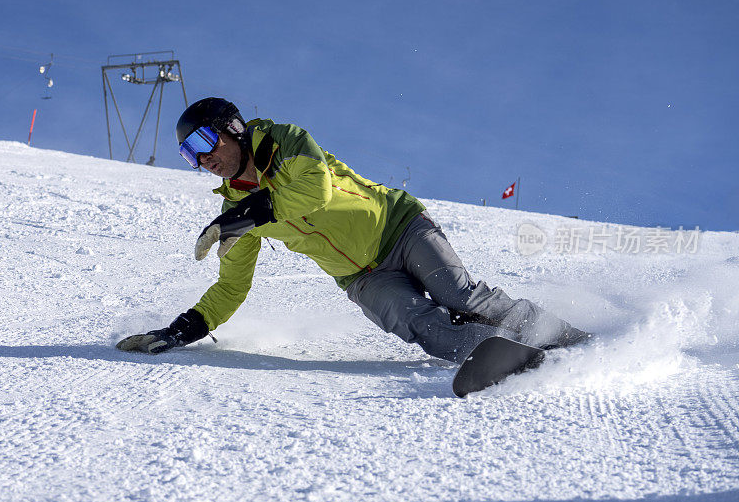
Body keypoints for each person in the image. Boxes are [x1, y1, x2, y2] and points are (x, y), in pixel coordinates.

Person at [117, 98, 591, 360]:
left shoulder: (285, 141)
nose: (203, 160)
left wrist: (244, 215)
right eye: (189, 155)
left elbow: (315, 191)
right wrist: (183, 330)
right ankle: (500, 356)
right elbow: (231, 286)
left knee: (460, 295)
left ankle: (557, 333)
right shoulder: (237, 213)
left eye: (203, 141)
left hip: (400, 228)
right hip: (362, 276)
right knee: (426, 329)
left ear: (233, 127)